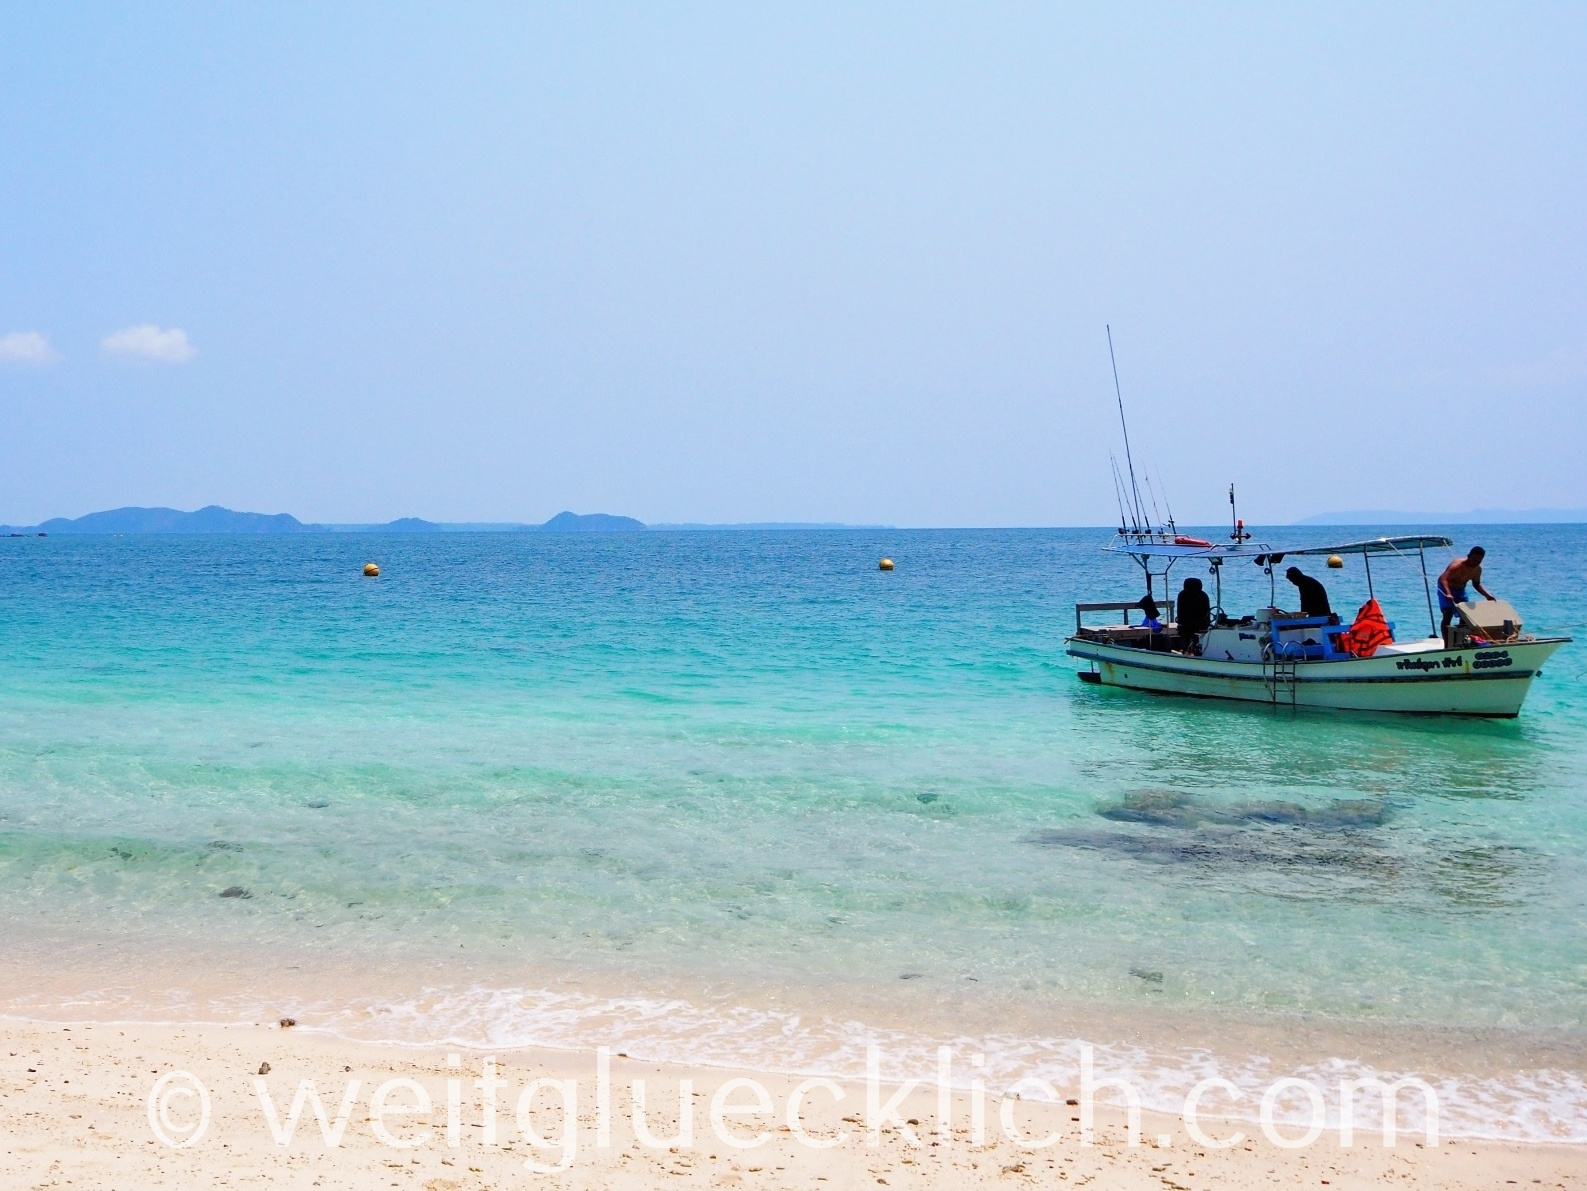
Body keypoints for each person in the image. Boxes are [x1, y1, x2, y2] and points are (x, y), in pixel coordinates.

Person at [1437, 546, 1494, 633]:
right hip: (1446, 587)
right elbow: (1443, 578)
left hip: (1460, 589)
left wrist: (1487, 595)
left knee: (1465, 614)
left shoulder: (1477, 569)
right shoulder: (1457, 565)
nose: (1476, 562)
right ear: (1468, 556)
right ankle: (1447, 643)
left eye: (1479, 560)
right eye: (1474, 559)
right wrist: (1448, 593)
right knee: (1448, 613)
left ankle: (1461, 639)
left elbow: (1476, 584)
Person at [1176, 576, 1212, 649]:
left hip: (1185, 626)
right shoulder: (1204, 595)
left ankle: (1186, 649)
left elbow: (1180, 613)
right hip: (1202, 625)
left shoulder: (1182, 594)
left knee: (1186, 638)